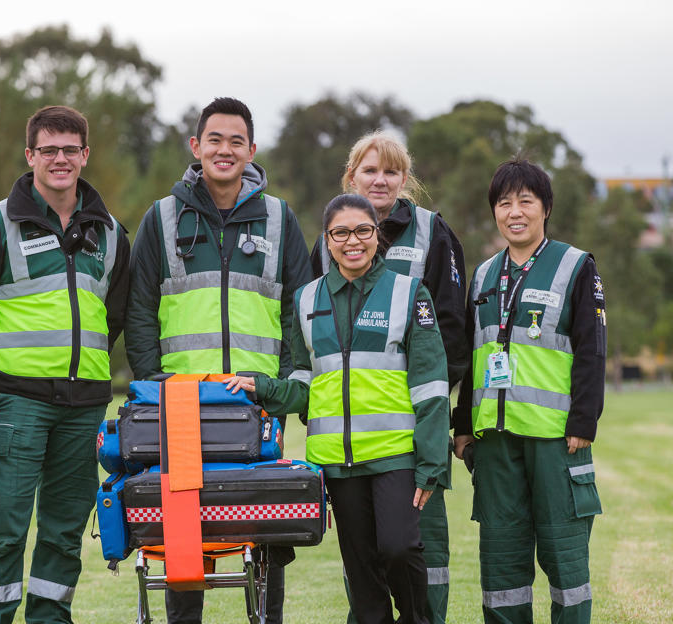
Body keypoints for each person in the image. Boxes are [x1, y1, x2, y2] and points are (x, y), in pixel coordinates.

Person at [124, 96, 312, 624]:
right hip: (183, 404)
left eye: (236, 141)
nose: (224, 150)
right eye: (215, 140)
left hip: (257, 402)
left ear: (252, 150)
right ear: (195, 147)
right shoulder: (162, 217)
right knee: (184, 529)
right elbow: (139, 307)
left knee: (265, 525)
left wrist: (284, 383)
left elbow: (300, 308)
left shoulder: (279, 219)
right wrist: (152, 381)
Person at [0, 105, 130, 624]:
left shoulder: (112, 233)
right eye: (49, 150)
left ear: (85, 155)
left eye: (71, 150)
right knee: (5, 525)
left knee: (66, 531)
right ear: (30, 156)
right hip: (15, 402)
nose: (61, 159)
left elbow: (112, 317)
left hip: (85, 404)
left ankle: (51, 618)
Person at [227, 193, 449, 624]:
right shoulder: (307, 299)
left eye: (363, 230)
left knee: (399, 548)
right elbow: (304, 382)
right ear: (327, 241)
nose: (353, 241)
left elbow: (432, 385)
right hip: (336, 463)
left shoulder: (408, 293)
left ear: (376, 236)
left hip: (394, 455)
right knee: (362, 573)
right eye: (341, 232)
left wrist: (431, 462)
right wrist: (263, 388)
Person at [311, 130, 468, 623]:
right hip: (348, 439)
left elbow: (452, 331)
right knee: (363, 561)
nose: (380, 180)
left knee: (412, 546)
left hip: (412, 430)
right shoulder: (328, 238)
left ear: (406, 180)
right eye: (370, 170)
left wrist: (421, 403)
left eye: (392, 171)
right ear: (350, 177)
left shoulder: (431, 232)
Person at [452, 159, 605, 623]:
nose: (514, 211)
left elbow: (592, 350)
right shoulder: (481, 276)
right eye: (504, 203)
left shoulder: (576, 265)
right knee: (501, 564)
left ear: (545, 208)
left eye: (525, 201)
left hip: (554, 437)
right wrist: (462, 425)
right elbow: (472, 356)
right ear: (494, 212)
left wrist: (583, 421)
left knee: (565, 558)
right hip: (494, 441)